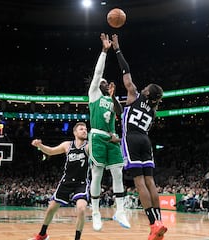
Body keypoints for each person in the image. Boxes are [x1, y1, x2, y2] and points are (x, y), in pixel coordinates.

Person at [111, 34, 167, 240]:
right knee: (150, 180)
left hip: (132, 139)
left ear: (146, 93)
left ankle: (152, 224)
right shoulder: (153, 111)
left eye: (145, 88)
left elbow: (126, 72)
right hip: (145, 140)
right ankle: (159, 220)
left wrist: (117, 49)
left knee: (139, 182)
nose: (142, 87)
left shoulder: (134, 94)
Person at [88, 33, 130, 231]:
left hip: (112, 138)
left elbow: (120, 113)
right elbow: (97, 74)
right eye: (103, 82)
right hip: (97, 136)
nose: (105, 83)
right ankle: (96, 212)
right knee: (96, 175)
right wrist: (105, 51)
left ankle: (120, 210)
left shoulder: (110, 99)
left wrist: (114, 97)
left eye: (106, 83)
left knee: (118, 173)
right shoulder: (94, 94)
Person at [28, 122, 90, 240]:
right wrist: (40, 146)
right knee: (51, 208)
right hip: (66, 182)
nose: (84, 131)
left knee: (81, 209)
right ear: (75, 132)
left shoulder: (88, 146)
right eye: (81, 129)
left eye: (86, 129)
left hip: (81, 183)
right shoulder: (67, 145)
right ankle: (42, 234)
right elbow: (51, 151)